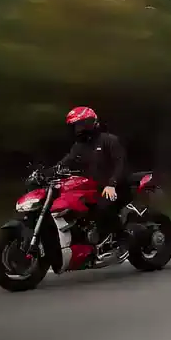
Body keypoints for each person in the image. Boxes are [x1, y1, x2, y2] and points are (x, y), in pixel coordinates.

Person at [57, 106, 129, 259]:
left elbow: (120, 164)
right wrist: (47, 173)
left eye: (80, 125)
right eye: (75, 126)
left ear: (90, 123)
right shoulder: (79, 146)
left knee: (102, 206)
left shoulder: (109, 140)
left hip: (116, 186)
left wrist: (112, 184)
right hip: (93, 187)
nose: (78, 130)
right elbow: (66, 162)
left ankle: (122, 241)